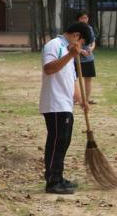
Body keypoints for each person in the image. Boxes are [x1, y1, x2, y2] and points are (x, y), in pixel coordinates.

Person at [39, 22, 91, 194]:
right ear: (76, 36)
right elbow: (48, 68)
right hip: (54, 103)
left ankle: (58, 176)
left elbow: (72, 80)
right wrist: (70, 55)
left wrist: (81, 99)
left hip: (65, 104)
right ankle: (52, 181)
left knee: (64, 141)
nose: (81, 48)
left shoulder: (69, 51)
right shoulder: (54, 45)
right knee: (56, 141)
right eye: (82, 43)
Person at [74, 11, 97, 104]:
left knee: (88, 78)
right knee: (74, 79)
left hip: (88, 58)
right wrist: (81, 51)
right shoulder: (74, 29)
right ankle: (76, 98)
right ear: (78, 19)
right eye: (82, 18)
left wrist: (91, 48)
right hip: (77, 58)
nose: (84, 20)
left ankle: (87, 99)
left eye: (86, 18)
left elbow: (93, 42)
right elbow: (72, 44)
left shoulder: (90, 28)